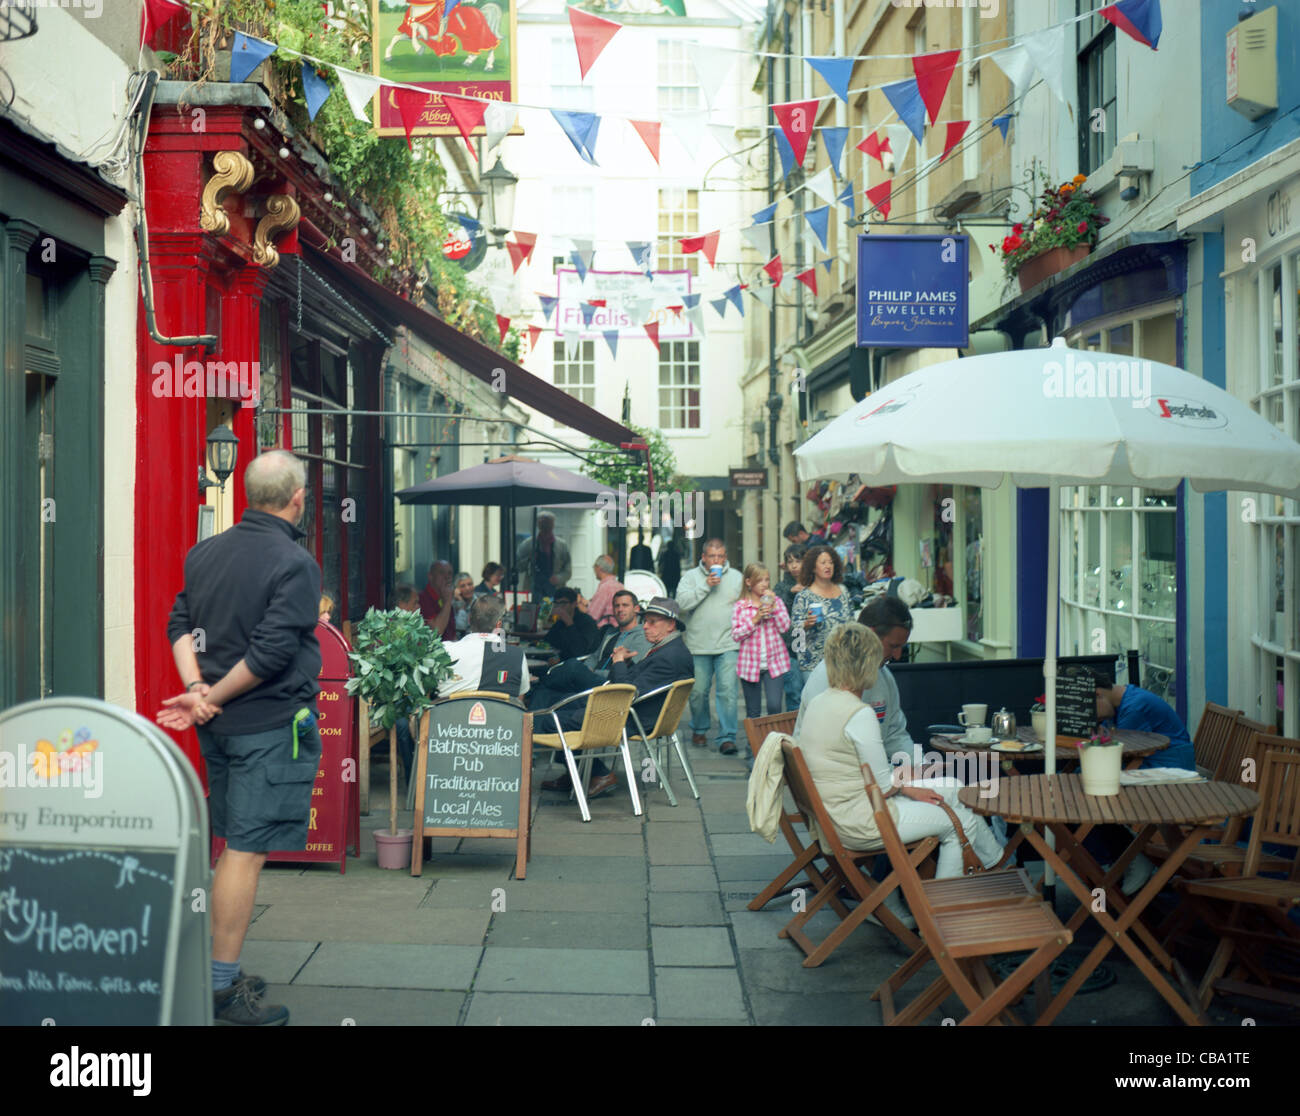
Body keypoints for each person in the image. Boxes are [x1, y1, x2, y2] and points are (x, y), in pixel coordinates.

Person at [158, 449, 321, 1026]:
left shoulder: (205, 553)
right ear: (296, 497)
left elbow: (178, 623)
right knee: (244, 853)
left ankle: (215, 975)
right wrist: (212, 696)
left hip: (219, 731)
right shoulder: (294, 562)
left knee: (231, 847)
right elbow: (273, 652)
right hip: (265, 726)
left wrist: (198, 690)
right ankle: (219, 989)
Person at [798, 624, 1003, 880]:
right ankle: (942, 907)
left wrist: (909, 776)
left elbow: (858, 771)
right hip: (861, 821)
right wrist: (909, 776)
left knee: (952, 787)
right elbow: (884, 786)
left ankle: (997, 866)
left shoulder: (819, 702)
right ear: (868, 664)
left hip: (839, 812)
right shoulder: (859, 713)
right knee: (960, 823)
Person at [536, 598, 694, 800]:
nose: (645, 626)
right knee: (560, 700)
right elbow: (633, 685)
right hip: (636, 713)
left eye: (652, 622)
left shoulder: (667, 657)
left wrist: (618, 662)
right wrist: (625, 665)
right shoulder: (670, 649)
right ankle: (574, 772)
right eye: (645, 621)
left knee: (552, 719)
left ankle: (599, 773)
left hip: (630, 718)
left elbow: (625, 693)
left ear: (671, 625)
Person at [1087, 668, 1197, 895]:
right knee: (1095, 790)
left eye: (1091, 710)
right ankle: (1128, 856)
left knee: (1098, 794)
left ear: (1098, 694)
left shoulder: (1134, 709)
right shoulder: (1126, 701)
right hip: (1159, 766)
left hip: (1171, 770)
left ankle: (1132, 857)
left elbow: (1121, 754)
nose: (1094, 717)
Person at [676, 538, 744, 755]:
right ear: (704, 557)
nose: (717, 560)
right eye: (712, 556)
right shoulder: (691, 577)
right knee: (698, 692)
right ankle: (700, 728)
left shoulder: (736, 578)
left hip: (728, 643)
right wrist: (706, 586)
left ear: (725, 557)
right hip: (698, 644)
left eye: (721, 556)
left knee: (728, 692)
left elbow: (746, 604)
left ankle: (727, 737)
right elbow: (682, 605)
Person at [529, 590, 649, 712]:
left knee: (572, 665)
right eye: (616, 606)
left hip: (610, 683)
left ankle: (536, 683)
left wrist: (589, 672)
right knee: (545, 692)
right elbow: (594, 657)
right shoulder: (610, 632)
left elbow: (631, 670)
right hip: (591, 680)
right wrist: (587, 669)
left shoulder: (643, 635)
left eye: (625, 605)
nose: (620, 609)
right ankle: (531, 722)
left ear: (636, 609)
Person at [438, 595, 530, 699]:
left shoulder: (444, 650)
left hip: (450, 714)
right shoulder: (517, 655)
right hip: (501, 714)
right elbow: (519, 700)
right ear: (498, 625)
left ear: (469, 620)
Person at [731, 562, 791, 721]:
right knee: (753, 712)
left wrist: (774, 608)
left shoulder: (776, 601)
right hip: (749, 664)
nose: (765, 584)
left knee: (775, 706)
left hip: (775, 663)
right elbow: (736, 634)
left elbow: (785, 627)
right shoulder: (741, 606)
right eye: (760, 580)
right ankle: (754, 745)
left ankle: (775, 743)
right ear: (749, 582)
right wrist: (755, 619)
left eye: (767, 579)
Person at [789, 545, 854, 676]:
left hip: (843, 662)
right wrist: (806, 625)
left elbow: (853, 623)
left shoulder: (843, 591)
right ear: (813, 567)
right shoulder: (803, 596)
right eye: (823, 563)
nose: (828, 566)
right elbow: (795, 634)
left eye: (831, 562)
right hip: (813, 664)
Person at [389, 583, 424, 783]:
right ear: (402, 605)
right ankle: (413, 781)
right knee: (403, 725)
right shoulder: (387, 629)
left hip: (412, 694)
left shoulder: (415, 628)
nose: (418, 607)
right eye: (414, 603)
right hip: (391, 699)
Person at [776, 544, 806, 712]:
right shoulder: (781, 587)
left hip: (811, 646)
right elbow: (776, 614)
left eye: (798, 561)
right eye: (790, 561)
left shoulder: (815, 584)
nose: (794, 566)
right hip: (789, 648)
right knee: (794, 691)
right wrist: (790, 594)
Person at [515, 512, 572, 596]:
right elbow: (517, 566)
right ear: (538, 524)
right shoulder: (528, 544)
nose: (545, 525)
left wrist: (558, 578)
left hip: (555, 590)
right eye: (542, 522)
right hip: (533, 589)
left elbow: (568, 571)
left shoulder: (562, 545)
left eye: (548, 522)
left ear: (553, 524)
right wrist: (529, 559)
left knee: (553, 609)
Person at [545, 586, 600, 661]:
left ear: (574, 604)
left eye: (563, 603)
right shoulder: (560, 622)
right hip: (558, 661)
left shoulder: (587, 622)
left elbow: (580, 651)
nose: (559, 607)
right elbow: (548, 643)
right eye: (556, 604)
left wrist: (569, 623)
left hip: (579, 664)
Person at [419, 560, 456, 643]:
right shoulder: (421, 599)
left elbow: (452, 634)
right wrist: (447, 602)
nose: (447, 577)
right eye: (442, 573)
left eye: (450, 573)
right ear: (430, 576)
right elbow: (437, 631)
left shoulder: (445, 597)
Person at [587, 555, 624, 628]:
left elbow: (592, 616)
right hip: (618, 627)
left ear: (598, 568)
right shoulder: (620, 585)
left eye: (594, 566)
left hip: (605, 631)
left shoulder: (605, 587)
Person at [657, 528, 683, 595]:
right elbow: (678, 566)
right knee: (672, 591)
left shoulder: (666, 554)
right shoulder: (674, 554)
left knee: (668, 591)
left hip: (668, 575)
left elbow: (660, 564)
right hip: (672, 575)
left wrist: (660, 572)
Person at [451, 571, 476, 638]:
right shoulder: (452, 604)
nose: (467, 588)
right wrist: (461, 603)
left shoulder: (479, 603)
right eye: (463, 586)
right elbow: (461, 627)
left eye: (470, 584)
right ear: (457, 589)